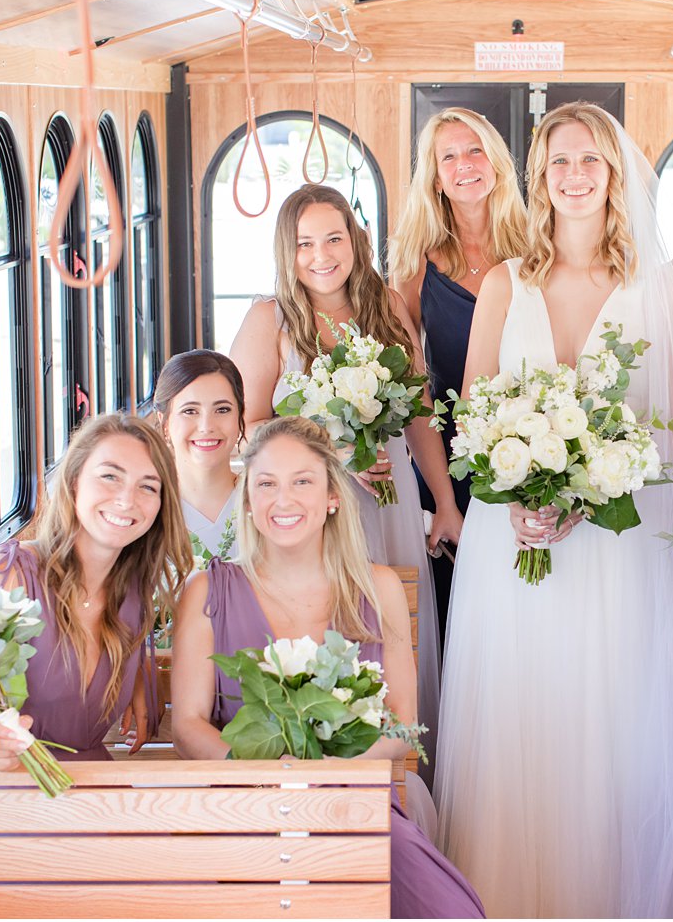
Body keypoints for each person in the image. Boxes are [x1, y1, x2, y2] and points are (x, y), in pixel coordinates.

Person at [436, 101, 673, 918]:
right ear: (538, 178)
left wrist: (595, 485)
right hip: (514, 539)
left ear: (614, 174)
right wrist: (519, 496)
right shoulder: (504, 282)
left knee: (607, 717)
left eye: (589, 162)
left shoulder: (661, 288)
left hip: (619, 544)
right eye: (558, 162)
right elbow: (472, 417)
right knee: (521, 711)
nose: (573, 177)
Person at [169, 416, 484, 920]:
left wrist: (327, 776)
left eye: (302, 482)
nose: (283, 500)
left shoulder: (379, 588)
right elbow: (186, 725)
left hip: (355, 800)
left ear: (332, 496)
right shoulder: (208, 592)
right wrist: (270, 779)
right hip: (245, 807)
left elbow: (402, 721)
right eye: (266, 484)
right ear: (248, 501)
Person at [227, 184, 457, 773]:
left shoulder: (386, 306)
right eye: (304, 243)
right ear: (287, 250)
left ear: (355, 240)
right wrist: (332, 455)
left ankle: (400, 776)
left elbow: (419, 414)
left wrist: (447, 504)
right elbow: (249, 426)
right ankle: (322, 758)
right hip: (306, 504)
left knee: (392, 623)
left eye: (333, 238)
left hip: (388, 496)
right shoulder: (268, 319)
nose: (321, 254)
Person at [0, 414, 193, 766]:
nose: (127, 500)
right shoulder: (9, 576)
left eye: (147, 486)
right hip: (0, 790)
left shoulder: (133, 594)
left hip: (87, 790)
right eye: (110, 476)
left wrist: (139, 675)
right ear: (73, 481)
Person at [390, 107, 527, 636]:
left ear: (495, 161)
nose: (465, 164)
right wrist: (444, 500)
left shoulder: (536, 249)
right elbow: (412, 385)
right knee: (457, 614)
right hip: (443, 456)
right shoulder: (414, 263)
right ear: (435, 177)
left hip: (527, 453)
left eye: (475, 150)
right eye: (449, 156)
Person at [155, 349, 246, 565]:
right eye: (190, 411)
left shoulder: (264, 500)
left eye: (222, 410)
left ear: (240, 418)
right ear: (165, 423)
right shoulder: (147, 506)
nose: (206, 427)